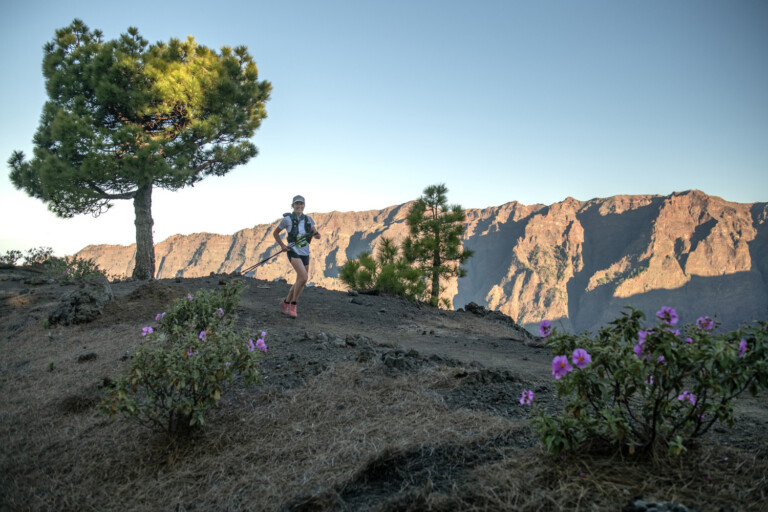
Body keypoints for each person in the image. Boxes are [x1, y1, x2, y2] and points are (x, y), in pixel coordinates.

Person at [272, 195, 321, 318]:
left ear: (304, 205)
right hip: (292, 250)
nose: (299, 206)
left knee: (301, 280)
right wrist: (283, 245)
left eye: (301, 204)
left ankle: (285, 303)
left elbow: (314, 231)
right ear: (293, 206)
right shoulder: (287, 220)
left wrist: (316, 235)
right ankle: (293, 306)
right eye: (297, 204)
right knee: (303, 277)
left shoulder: (309, 219)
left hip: (305, 252)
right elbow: (275, 233)